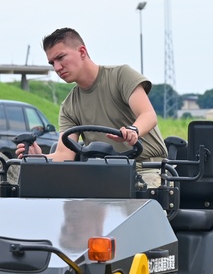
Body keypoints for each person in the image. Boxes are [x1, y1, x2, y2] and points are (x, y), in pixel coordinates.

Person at [17, 27, 167, 185]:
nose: (57, 68)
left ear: (82, 52)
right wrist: (37, 158)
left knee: (140, 206)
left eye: (60, 58)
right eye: (52, 62)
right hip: (102, 174)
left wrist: (133, 131)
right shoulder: (69, 106)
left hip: (147, 169)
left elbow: (148, 115)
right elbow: (64, 156)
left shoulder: (120, 76)